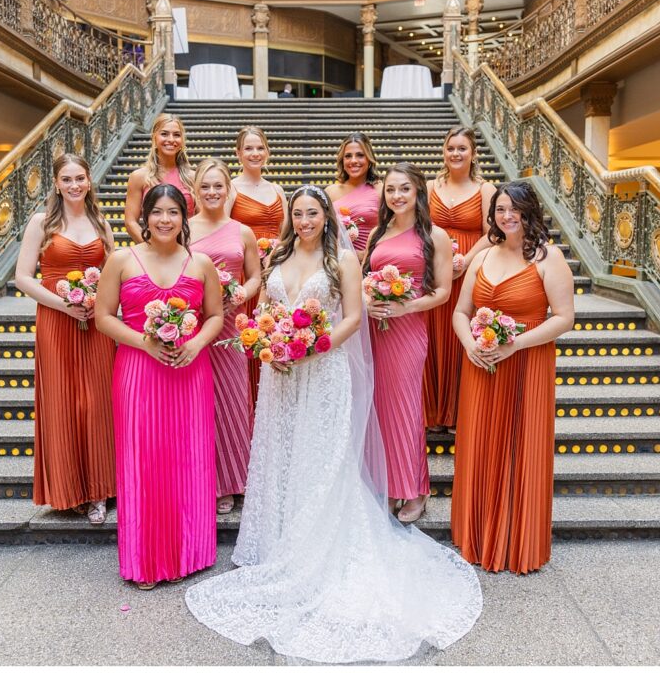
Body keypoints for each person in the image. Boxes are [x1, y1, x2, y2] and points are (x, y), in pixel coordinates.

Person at [184, 184, 482, 664]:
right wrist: (268, 344)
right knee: (282, 452)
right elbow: (263, 311)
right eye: (298, 214)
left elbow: (352, 317)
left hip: (324, 370)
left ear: (326, 216)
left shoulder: (342, 261)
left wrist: (314, 347)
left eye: (312, 213)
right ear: (290, 218)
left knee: (322, 457)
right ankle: (279, 541)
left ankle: (320, 547)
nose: (304, 221)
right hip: (282, 373)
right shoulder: (277, 253)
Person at [95, 183, 224, 590]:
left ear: (184, 218)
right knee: (143, 460)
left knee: (189, 457)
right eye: (157, 212)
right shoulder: (121, 259)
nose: (165, 220)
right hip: (137, 370)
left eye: (173, 212)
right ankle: (145, 558)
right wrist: (145, 343)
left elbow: (215, 316)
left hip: (190, 370)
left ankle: (191, 551)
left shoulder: (201, 262)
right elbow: (103, 317)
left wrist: (197, 343)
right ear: (144, 218)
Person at [450, 180, 574, 574]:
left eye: (514, 209)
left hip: (526, 365)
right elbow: (460, 311)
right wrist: (470, 344)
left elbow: (564, 318)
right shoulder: (484, 255)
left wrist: (516, 345)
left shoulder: (547, 257)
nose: (507, 216)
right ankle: (478, 537)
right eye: (500, 209)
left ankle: (516, 541)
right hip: (481, 367)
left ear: (529, 212)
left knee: (520, 446)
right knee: (481, 445)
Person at [15, 153, 115, 525]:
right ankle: (69, 489)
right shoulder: (42, 222)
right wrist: (63, 304)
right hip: (56, 323)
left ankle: (101, 491)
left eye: (80, 178)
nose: (74, 185)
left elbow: (114, 271)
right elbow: (23, 277)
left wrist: (98, 302)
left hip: (94, 322)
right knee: (63, 402)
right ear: (56, 184)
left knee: (96, 402)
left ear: (90, 181)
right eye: (67, 179)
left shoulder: (101, 222)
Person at [364, 163, 453, 523]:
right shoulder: (377, 234)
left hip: (409, 331)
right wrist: (370, 303)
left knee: (406, 409)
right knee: (379, 409)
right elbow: (364, 279)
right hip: (375, 333)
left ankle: (416, 490)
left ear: (418, 192)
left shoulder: (435, 235)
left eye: (404, 189)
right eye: (390, 190)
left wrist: (407, 307)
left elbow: (444, 292)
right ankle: (388, 486)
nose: (397, 196)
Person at [188, 158, 263, 515]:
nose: (212, 192)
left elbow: (254, 277)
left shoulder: (242, 231)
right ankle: (210, 480)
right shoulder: (183, 230)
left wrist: (241, 295)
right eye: (206, 186)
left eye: (219, 186)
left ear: (228, 190)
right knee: (202, 402)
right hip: (197, 325)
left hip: (233, 326)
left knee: (234, 398)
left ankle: (237, 478)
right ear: (195, 190)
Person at [424, 127, 496, 432]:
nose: (456, 153)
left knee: (459, 336)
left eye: (462, 148)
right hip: (435, 270)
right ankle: (433, 412)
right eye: (451, 148)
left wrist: (465, 261)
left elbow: (491, 233)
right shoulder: (430, 187)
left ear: (473, 153)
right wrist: (439, 261)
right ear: (444, 151)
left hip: (471, 268)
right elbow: (421, 227)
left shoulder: (486, 189)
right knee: (434, 339)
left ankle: (457, 413)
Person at [230, 126, 287, 405]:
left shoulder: (277, 189)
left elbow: (288, 233)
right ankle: (247, 406)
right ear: (238, 153)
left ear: (267, 152)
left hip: (275, 273)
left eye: (260, 147)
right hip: (246, 274)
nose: (255, 153)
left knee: (274, 336)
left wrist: (278, 257)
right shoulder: (230, 188)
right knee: (249, 337)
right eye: (248, 148)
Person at [123, 113, 196, 238]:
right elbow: (130, 222)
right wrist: (151, 248)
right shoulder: (139, 177)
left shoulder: (193, 177)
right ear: (154, 138)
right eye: (164, 134)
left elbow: (202, 219)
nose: (171, 139)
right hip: (152, 248)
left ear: (182, 141)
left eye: (177, 135)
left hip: (187, 248)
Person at [325, 132, 382, 259]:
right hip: (337, 261)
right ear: (342, 160)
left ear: (369, 158)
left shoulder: (381, 189)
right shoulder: (330, 191)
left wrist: (367, 254)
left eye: (360, 155)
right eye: (348, 156)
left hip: (369, 262)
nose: (353, 160)